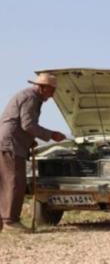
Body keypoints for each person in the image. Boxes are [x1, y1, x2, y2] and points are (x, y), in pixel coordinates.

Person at [0, 73, 66, 233]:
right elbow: (28, 124)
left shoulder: (28, 95)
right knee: (15, 182)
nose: (52, 95)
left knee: (4, 183)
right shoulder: (31, 98)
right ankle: (10, 221)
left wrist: (30, 140)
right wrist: (51, 135)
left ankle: (4, 221)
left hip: (7, 141)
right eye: (51, 91)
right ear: (43, 88)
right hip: (12, 144)